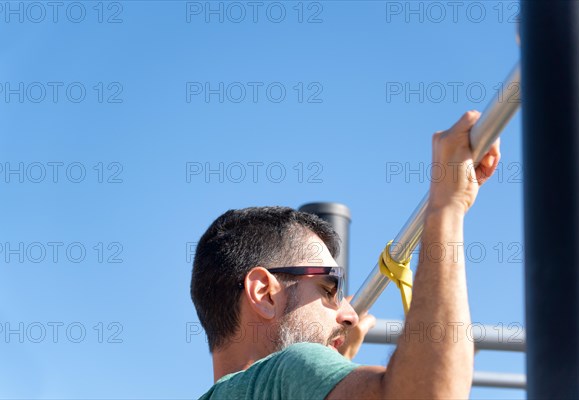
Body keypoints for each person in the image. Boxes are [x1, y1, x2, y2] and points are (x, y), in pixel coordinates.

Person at [191, 111, 501, 399]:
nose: (349, 315)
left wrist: (335, 373)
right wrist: (447, 206)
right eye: (328, 289)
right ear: (264, 294)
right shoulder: (290, 368)